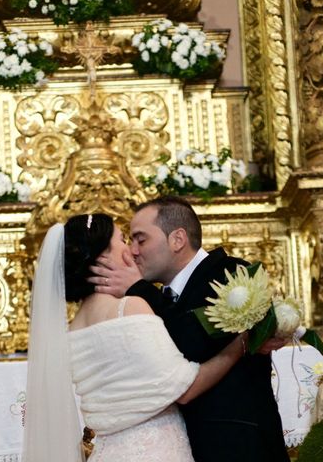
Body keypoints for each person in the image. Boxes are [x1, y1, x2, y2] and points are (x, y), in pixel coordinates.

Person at [22, 213, 249, 462]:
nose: (131, 249)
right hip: (156, 451)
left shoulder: (71, 331)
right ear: (104, 256)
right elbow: (184, 387)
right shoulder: (130, 307)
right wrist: (238, 346)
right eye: (122, 239)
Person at [89, 196, 289, 462]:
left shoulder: (232, 275)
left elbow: (190, 345)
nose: (133, 250)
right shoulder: (159, 296)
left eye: (141, 239)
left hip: (239, 446)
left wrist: (138, 289)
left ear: (177, 239)